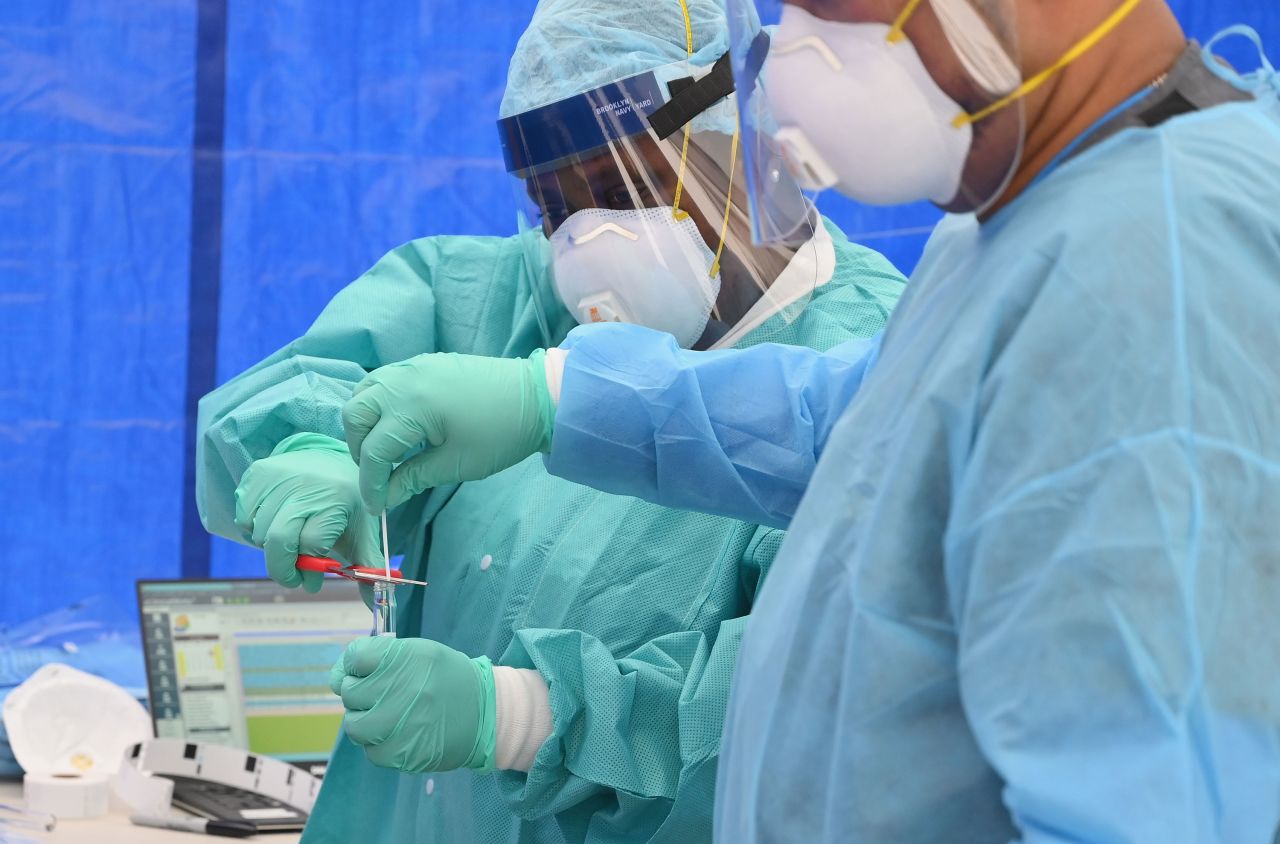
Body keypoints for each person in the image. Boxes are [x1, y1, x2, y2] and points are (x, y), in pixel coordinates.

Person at [337, 1, 1280, 841]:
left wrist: (519, 715)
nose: (789, 61)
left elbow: (1144, 789)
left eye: (830, 9)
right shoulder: (1022, 215)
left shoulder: (1151, 271)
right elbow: (863, 423)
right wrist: (559, 400)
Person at [195, 0, 906, 841]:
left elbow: (813, 711)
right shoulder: (517, 300)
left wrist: (526, 715)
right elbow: (325, 376)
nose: (586, 242)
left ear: (744, 145)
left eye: (621, 189)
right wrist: (319, 447)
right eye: (549, 207)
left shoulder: (877, 368)